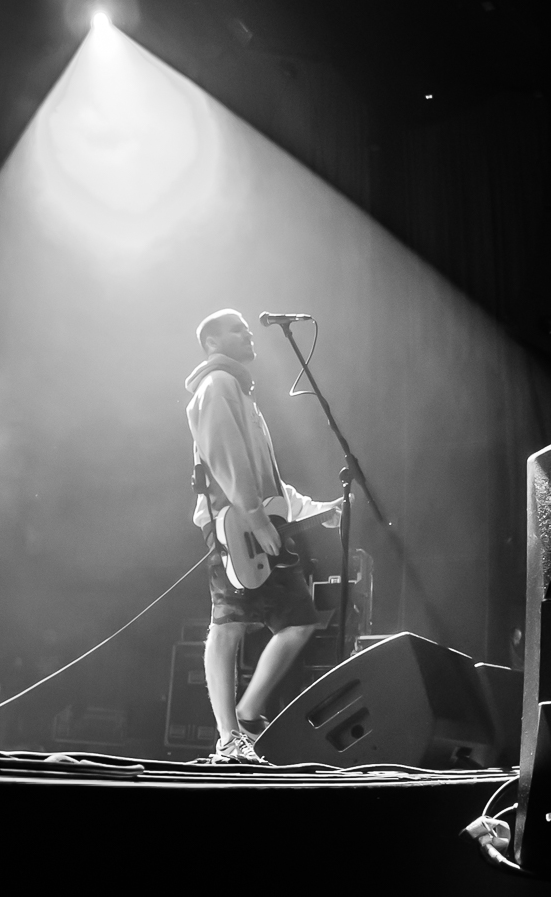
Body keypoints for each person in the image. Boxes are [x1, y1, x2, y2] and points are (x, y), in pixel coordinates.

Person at [185, 308, 341, 764]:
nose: (248, 335)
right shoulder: (216, 384)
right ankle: (228, 738)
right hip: (231, 525)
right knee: (227, 622)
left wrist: (314, 509)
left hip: (257, 522)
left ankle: (248, 714)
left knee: (299, 620)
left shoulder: (241, 392)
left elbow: (267, 479)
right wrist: (255, 519)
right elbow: (224, 458)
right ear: (212, 343)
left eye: (248, 330)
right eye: (237, 330)